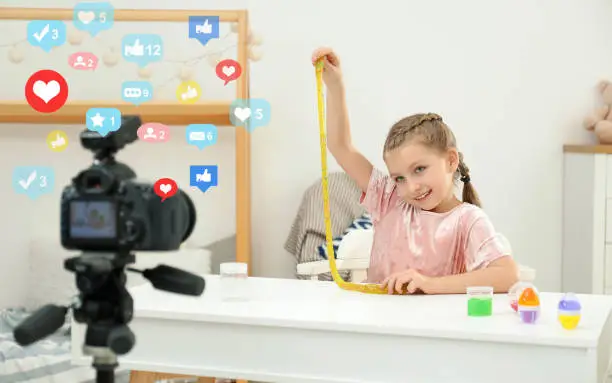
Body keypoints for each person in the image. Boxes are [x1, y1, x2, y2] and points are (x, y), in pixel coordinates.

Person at [311, 47, 519, 295]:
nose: (410, 187)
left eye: (419, 169)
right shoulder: (390, 199)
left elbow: (507, 275)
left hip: (433, 330)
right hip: (376, 325)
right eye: (399, 178)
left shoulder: (467, 221)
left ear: (451, 160)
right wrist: (335, 86)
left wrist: (430, 284)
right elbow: (340, 146)